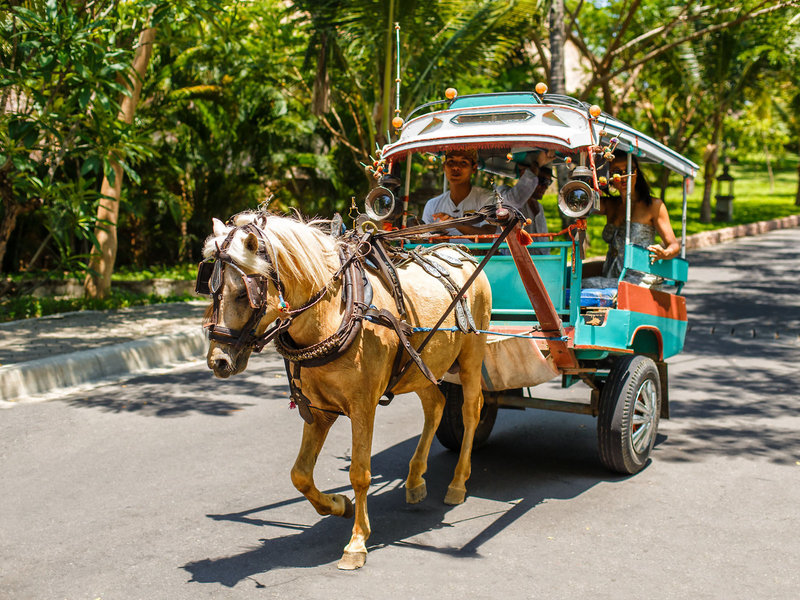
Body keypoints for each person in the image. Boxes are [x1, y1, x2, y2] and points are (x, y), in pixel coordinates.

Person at [586, 151, 679, 287]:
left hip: (638, 278)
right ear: (609, 176)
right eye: (617, 172)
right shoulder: (610, 205)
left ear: (636, 173)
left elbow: (674, 246)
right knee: (574, 283)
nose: (625, 177)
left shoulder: (653, 206)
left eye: (629, 170)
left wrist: (664, 253)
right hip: (611, 275)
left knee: (585, 286)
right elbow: (581, 201)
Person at [422, 148, 541, 237]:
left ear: (473, 168)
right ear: (444, 167)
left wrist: (455, 223)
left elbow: (487, 236)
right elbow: (426, 239)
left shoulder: (487, 199)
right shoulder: (432, 205)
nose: (455, 168)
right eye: (451, 162)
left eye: (463, 162)